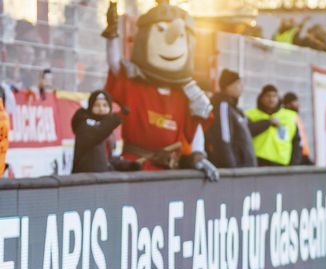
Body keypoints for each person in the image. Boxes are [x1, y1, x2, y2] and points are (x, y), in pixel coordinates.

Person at [101, 0, 219, 181]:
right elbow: (115, 64)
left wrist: (199, 157)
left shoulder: (187, 93)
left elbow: (196, 129)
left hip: (169, 171)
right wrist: (112, 35)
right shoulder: (134, 84)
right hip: (134, 167)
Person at [71, 90, 140, 173]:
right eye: (97, 105)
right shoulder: (84, 123)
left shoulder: (107, 129)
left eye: (105, 105)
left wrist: (130, 165)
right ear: (90, 107)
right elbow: (97, 134)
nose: (101, 108)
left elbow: (109, 159)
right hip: (85, 178)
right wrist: (117, 117)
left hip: (102, 178)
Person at [206, 69, 256, 168]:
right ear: (228, 86)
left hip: (243, 167)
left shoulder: (234, 109)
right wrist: (230, 166)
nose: (242, 87)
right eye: (238, 83)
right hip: (235, 168)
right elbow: (224, 137)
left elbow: (250, 127)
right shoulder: (223, 105)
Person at [245, 84, 301, 166]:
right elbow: (247, 133)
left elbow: (296, 142)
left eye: (274, 96)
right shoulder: (250, 114)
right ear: (261, 98)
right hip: (258, 161)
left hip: (282, 162)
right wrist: (267, 123)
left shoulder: (289, 116)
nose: (271, 99)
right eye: (268, 96)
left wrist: (294, 164)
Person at [283, 92, 314, 165]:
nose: (298, 105)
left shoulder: (296, 116)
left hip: (303, 153)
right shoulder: (287, 117)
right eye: (295, 102)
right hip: (296, 154)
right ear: (288, 104)